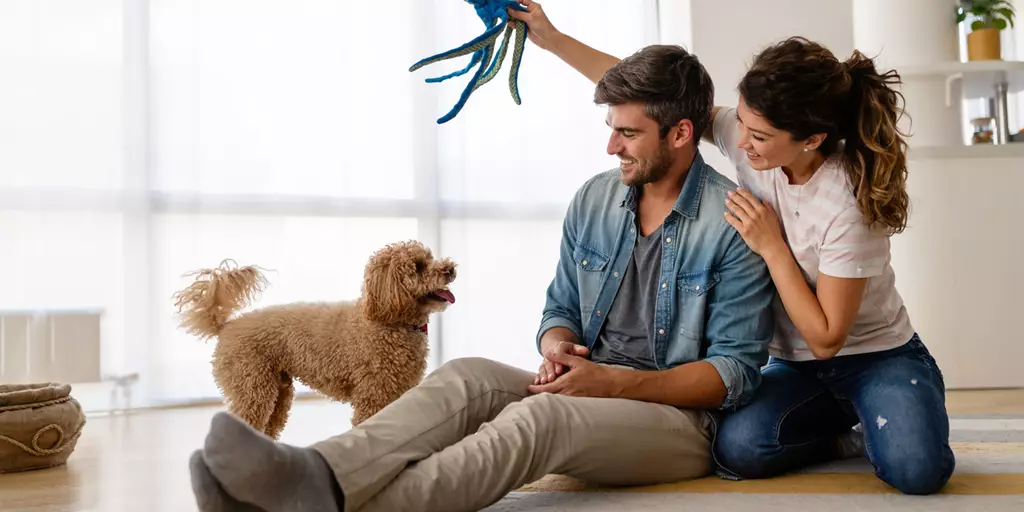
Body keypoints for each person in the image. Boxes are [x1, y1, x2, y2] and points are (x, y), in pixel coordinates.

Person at [187, 44, 778, 512]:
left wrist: (612, 384)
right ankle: (317, 473)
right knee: (466, 376)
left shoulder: (733, 224)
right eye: (610, 126)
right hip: (589, 384)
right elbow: (560, 309)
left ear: (680, 135)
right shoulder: (596, 199)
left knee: (540, 418)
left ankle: (318, 501)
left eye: (628, 133)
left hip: (678, 425)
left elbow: (734, 374)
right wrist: (558, 346)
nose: (610, 145)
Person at [507, 0, 954, 496]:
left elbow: (828, 337)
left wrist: (773, 248)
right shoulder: (751, 137)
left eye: (759, 135)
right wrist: (551, 38)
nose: (741, 143)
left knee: (916, 471)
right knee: (735, 450)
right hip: (794, 365)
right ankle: (837, 434)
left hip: (874, 356)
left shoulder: (848, 198)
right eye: (740, 123)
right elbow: (655, 101)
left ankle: (893, 406)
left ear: (812, 139)